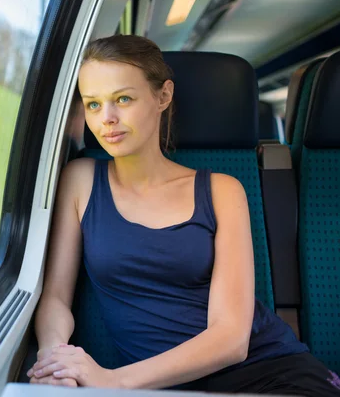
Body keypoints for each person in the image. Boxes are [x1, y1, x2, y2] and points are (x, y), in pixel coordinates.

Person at [26, 35, 340, 396]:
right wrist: (54, 359)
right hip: (165, 387)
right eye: (93, 104)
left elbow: (231, 339)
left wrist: (114, 381)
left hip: (269, 373)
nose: (107, 119)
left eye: (123, 99)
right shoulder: (80, 180)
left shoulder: (223, 190)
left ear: (163, 96)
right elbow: (55, 298)